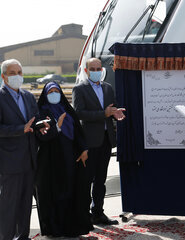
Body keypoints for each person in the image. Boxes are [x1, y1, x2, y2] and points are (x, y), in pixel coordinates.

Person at [0, 59, 50, 240]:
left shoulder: (28, 96)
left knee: (25, 205)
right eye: (12, 73)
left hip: (29, 158)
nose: (17, 76)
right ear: (4, 77)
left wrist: (40, 125)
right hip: (9, 161)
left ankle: (22, 237)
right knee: (8, 206)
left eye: (20, 72)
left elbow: (33, 120)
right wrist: (20, 129)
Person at [35, 82, 94, 237]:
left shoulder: (68, 109)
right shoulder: (41, 112)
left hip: (70, 158)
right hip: (50, 161)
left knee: (71, 191)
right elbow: (42, 136)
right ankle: (55, 229)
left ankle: (71, 226)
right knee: (54, 193)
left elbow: (78, 132)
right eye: (50, 92)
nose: (54, 94)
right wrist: (57, 125)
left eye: (57, 91)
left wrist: (84, 149)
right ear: (45, 95)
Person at [72, 58, 126, 225]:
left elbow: (111, 109)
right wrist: (104, 113)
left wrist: (115, 113)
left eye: (98, 68)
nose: (96, 71)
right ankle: (83, 214)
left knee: (101, 180)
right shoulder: (80, 89)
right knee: (86, 180)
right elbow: (79, 113)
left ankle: (98, 213)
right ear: (87, 71)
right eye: (92, 68)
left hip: (105, 140)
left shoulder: (107, 88)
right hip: (89, 142)